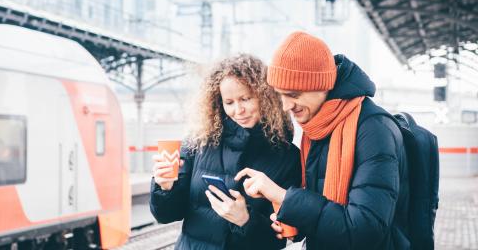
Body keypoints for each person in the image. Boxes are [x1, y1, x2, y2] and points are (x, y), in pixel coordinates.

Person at [235, 31, 409, 249]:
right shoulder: (317, 127)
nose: (286, 106)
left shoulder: (374, 131)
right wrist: (295, 221)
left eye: (294, 95)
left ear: (322, 85)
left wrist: (284, 196)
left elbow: (365, 229)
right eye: (280, 95)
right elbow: (324, 213)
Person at [150, 54, 301, 249]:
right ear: (218, 102)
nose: (238, 110)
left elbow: (279, 240)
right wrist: (165, 187)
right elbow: (166, 215)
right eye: (229, 102)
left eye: (245, 99)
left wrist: (245, 220)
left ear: (265, 97)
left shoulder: (288, 157)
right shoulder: (199, 141)